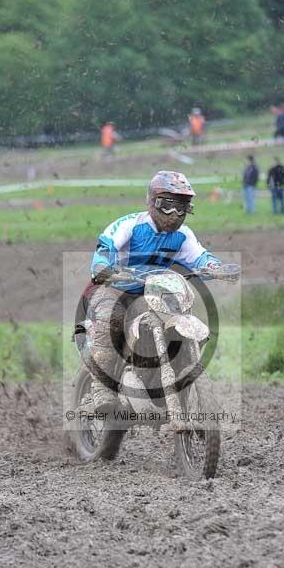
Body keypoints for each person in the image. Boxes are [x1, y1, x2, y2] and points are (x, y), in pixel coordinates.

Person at [81, 171, 227, 411]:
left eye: (182, 207)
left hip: (154, 294)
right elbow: (106, 246)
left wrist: (215, 267)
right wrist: (103, 266)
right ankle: (102, 390)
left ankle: (168, 375)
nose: (175, 214)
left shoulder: (182, 236)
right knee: (112, 319)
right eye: (168, 206)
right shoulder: (130, 225)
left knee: (182, 319)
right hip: (115, 289)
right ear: (152, 202)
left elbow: (199, 256)